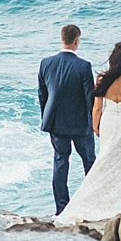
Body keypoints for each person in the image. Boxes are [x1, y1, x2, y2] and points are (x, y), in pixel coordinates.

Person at [55, 40, 121, 225]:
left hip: (108, 122)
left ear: (112, 59)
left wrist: (96, 125)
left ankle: (92, 200)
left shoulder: (102, 79)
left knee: (104, 160)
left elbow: (97, 107)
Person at [38, 24, 95, 215]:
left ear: (62, 39)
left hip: (56, 123)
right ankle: (91, 205)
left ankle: (62, 209)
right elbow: (90, 99)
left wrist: (46, 118)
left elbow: (42, 95)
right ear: (77, 41)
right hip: (80, 124)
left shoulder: (46, 63)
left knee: (61, 163)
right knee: (89, 163)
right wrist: (94, 123)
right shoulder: (84, 66)